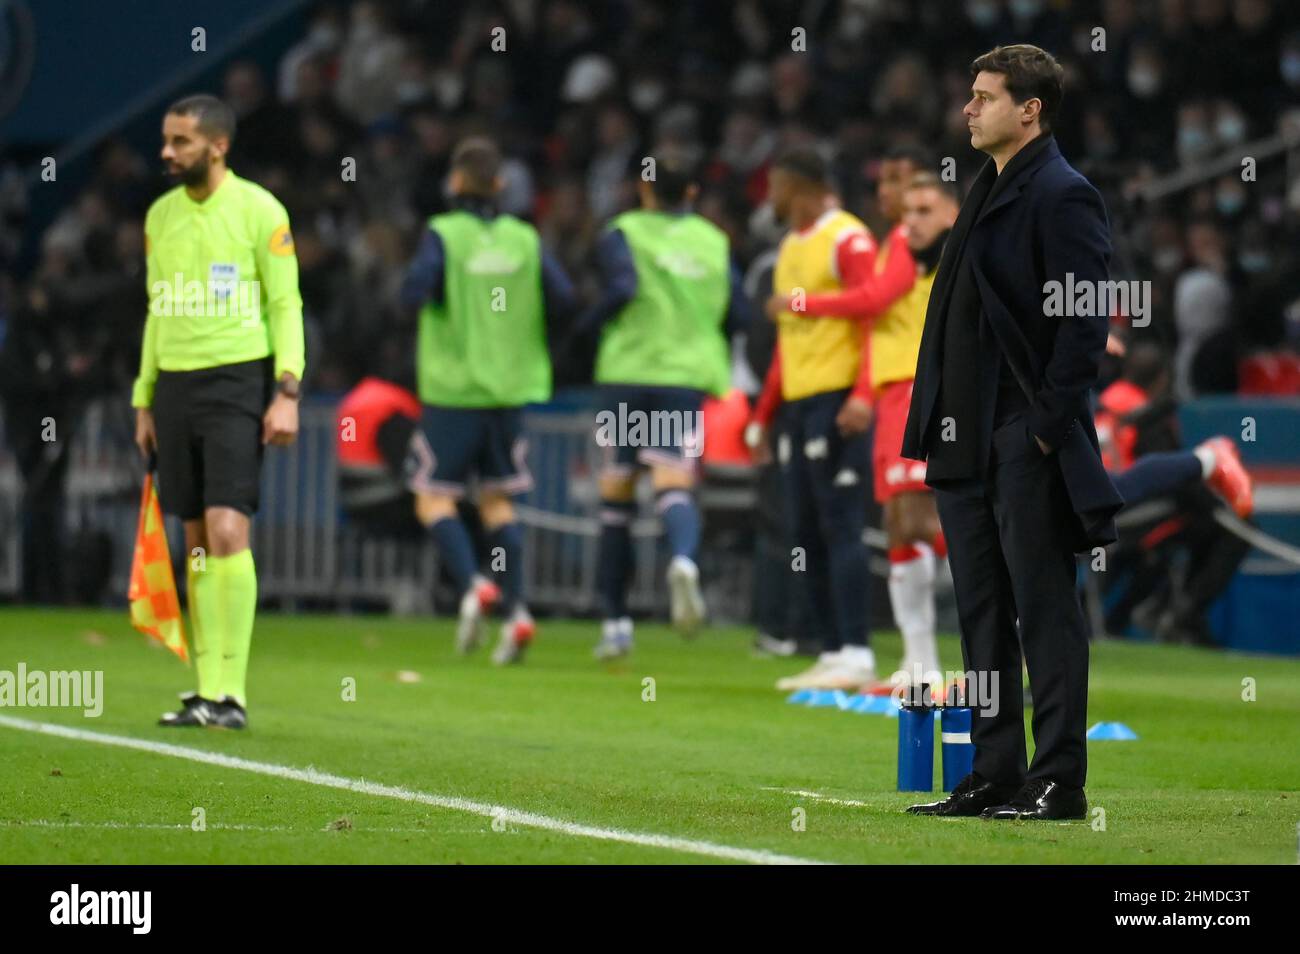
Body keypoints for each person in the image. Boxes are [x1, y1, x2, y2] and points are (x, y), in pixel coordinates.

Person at [901, 45, 1123, 820]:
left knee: (1044, 609)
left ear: (1030, 109)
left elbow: (1083, 321)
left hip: (1019, 436)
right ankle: (996, 770)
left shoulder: (1063, 193)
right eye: (970, 95)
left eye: (985, 97)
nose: (968, 108)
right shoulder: (989, 187)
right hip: (963, 441)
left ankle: (1057, 777)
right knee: (983, 616)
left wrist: (1041, 428)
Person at [132, 94, 305, 729]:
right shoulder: (159, 216)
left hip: (236, 381)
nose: (167, 152)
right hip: (174, 386)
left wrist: (287, 390)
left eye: (180, 141)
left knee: (229, 528)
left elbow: (287, 305)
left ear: (218, 146)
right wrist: (143, 393)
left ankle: (231, 693)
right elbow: (155, 308)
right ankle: (207, 690)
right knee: (197, 541)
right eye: (166, 140)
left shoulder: (262, 211)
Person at [400, 136, 575, 665]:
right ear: (501, 186)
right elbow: (564, 297)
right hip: (507, 389)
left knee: (433, 498)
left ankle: (475, 582)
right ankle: (518, 610)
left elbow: (413, 292)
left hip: (454, 389)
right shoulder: (524, 238)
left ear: (454, 183)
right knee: (500, 504)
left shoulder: (443, 234)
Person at [577, 153, 750, 660]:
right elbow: (738, 311)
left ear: (644, 191)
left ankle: (615, 623)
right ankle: (684, 560)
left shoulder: (623, 232)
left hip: (627, 374)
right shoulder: (714, 242)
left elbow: (620, 288)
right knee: (673, 483)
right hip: (682, 378)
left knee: (616, 500)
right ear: (692, 193)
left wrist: (585, 330)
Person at [747, 146, 886, 691]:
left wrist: (865, 393)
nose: (769, 198)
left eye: (775, 187)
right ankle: (831, 649)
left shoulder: (848, 237)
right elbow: (789, 342)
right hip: (801, 404)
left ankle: (857, 649)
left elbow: (874, 313)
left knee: (841, 524)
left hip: (838, 399)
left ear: (799, 186)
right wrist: (764, 413)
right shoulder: (789, 248)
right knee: (804, 528)